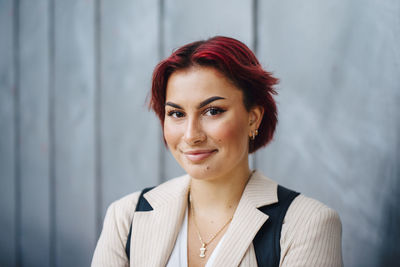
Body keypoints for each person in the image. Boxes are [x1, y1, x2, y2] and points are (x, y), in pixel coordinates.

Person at [91, 36, 342, 267]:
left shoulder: (307, 224)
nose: (191, 135)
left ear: (253, 118)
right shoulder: (126, 217)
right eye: (176, 114)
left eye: (212, 111)